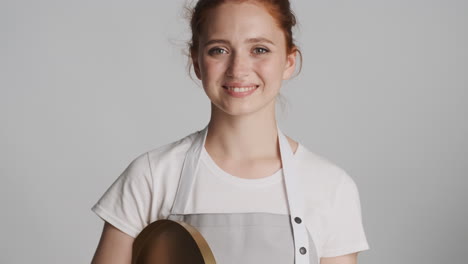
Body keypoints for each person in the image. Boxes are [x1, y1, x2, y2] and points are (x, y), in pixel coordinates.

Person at [90, 0, 370, 263]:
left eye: (259, 49)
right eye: (219, 50)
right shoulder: (151, 176)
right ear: (197, 62)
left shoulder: (331, 187)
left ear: (288, 61)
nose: (238, 69)